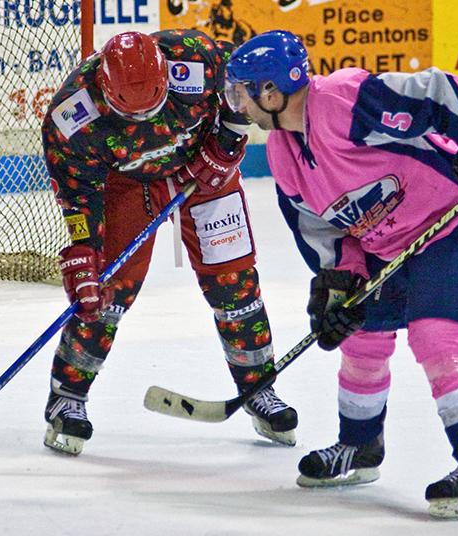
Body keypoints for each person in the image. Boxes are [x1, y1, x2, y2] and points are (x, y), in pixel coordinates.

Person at [226, 30, 458, 518]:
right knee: (361, 339)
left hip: (451, 227)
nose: (236, 100)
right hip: (384, 246)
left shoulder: (344, 100)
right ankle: (360, 448)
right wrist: (338, 285)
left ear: (272, 92)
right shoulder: (282, 151)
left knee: (436, 338)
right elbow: (318, 227)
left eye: (242, 90)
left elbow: (436, 92)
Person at [40, 29, 298, 455]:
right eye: (131, 113)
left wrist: (228, 140)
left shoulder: (193, 55)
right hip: (125, 184)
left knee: (234, 284)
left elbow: (241, 85)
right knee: (103, 292)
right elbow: (77, 193)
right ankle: (67, 397)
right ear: (105, 88)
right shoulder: (72, 115)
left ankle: (259, 389)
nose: (145, 121)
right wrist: (84, 249)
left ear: (165, 74)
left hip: (203, 171)